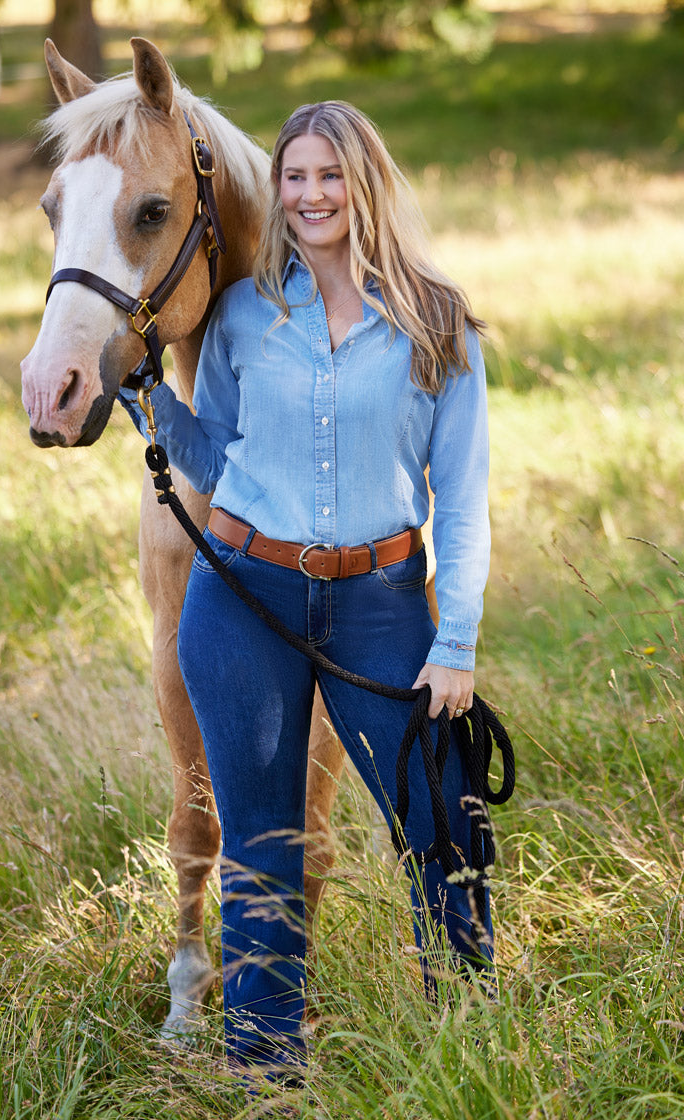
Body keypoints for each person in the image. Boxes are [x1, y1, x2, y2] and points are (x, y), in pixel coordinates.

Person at [121, 100, 491, 1083]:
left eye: (330, 175)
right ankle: (266, 1070)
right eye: (294, 177)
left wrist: (452, 641)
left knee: (444, 818)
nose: (311, 194)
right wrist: (149, 395)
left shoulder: (437, 320)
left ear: (363, 184)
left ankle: (464, 1033)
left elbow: (460, 502)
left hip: (378, 597)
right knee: (262, 847)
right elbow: (214, 449)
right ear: (276, 192)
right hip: (242, 596)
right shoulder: (248, 314)